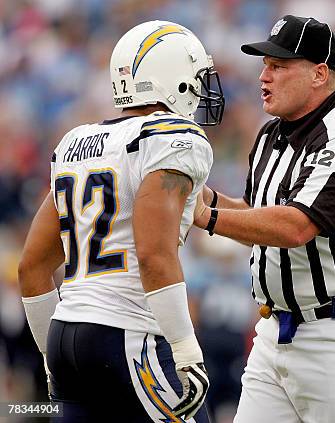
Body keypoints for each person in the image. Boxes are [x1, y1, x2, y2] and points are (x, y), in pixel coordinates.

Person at [193, 14, 335, 423]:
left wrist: (204, 216)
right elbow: (257, 217)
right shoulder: (269, 134)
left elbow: (295, 226)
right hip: (277, 332)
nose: (263, 76)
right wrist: (197, 194)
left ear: (318, 74)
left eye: (278, 66)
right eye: (265, 65)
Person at [18, 20, 224, 422]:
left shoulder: (77, 141)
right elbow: (152, 254)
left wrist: (50, 355)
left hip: (65, 334)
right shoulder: (173, 138)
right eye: (196, 77)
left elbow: (32, 266)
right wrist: (185, 347)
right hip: (126, 336)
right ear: (175, 79)